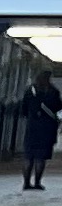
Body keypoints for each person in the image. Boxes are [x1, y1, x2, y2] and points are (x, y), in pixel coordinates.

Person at [21, 65, 59, 194]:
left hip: (32, 127)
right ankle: (37, 183)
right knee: (40, 157)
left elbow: (23, 109)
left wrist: (32, 116)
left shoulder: (30, 90)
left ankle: (26, 183)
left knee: (28, 156)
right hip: (47, 128)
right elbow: (57, 108)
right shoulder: (53, 91)